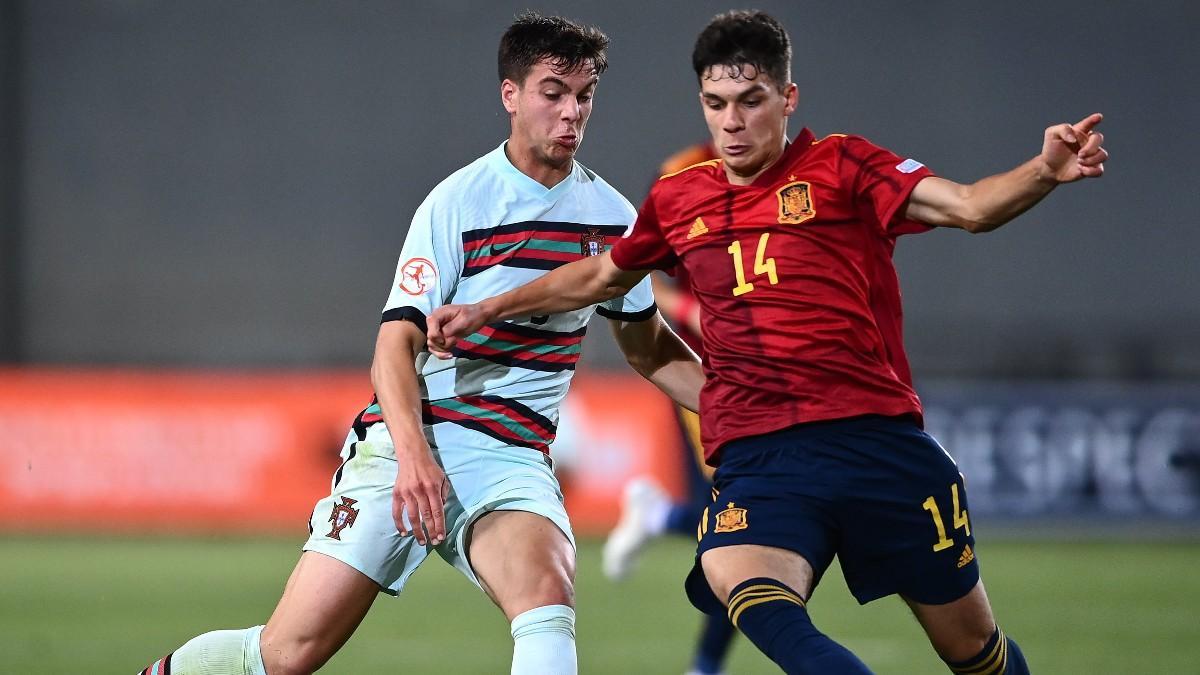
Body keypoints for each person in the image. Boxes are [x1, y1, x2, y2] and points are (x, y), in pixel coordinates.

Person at [426, 9, 1108, 674]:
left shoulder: (844, 166)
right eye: (715, 102)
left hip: (877, 440)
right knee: (732, 570)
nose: (731, 121)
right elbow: (602, 274)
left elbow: (968, 206)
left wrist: (1043, 172)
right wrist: (491, 305)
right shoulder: (678, 198)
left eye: (750, 101)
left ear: (787, 99)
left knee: (973, 650)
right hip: (763, 452)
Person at [136, 12, 702, 675]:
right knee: (287, 653)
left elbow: (649, 348)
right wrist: (413, 458)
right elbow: (393, 346)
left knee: (546, 599)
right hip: (410, 444)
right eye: (553, 92)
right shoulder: (458, 204)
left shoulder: (610, 218)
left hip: (510, 456)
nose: (571, 112)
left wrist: (738, 403)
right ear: (510, 94)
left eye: (584, 95)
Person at [603, 141, 743, 675]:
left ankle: (661, 515)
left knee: (751, 521)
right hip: (704, 373)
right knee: (744, 520)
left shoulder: (793, 173)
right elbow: (632, 270)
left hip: (769, 374)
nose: (738, 118)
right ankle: (706, 666)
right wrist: (687, 307)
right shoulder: (681, 174)